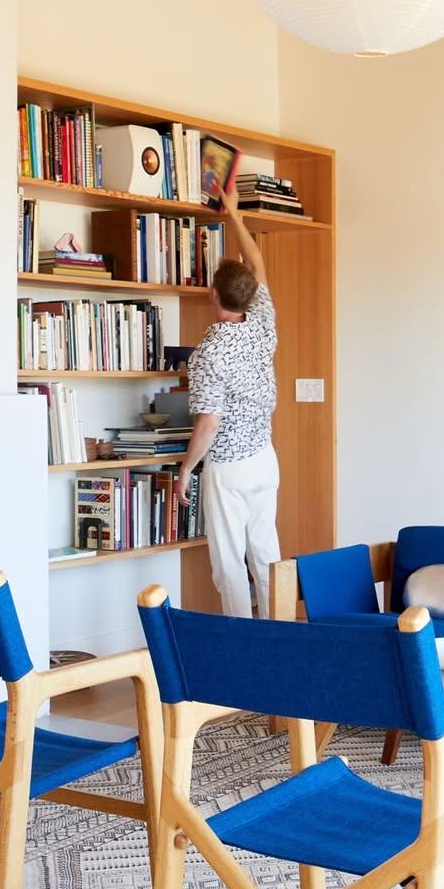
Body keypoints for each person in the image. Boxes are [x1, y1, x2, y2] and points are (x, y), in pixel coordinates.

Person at [177, 184, 279, 618]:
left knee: (229, 566)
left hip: (228, 467)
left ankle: (242, 645)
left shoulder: (208, 353)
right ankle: (279, 635)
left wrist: (186, 469)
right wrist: (234, 214)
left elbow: (208, 423)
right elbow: (257, 265)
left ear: (213, 295)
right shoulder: (262, 321)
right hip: (265, 458)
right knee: (266, 556)